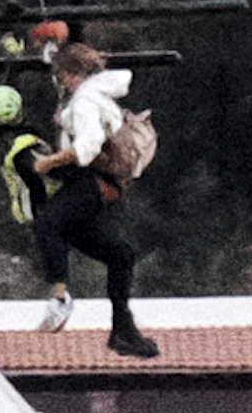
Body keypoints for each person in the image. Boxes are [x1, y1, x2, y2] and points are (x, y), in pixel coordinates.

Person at [31, 41, 160, 358]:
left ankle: (59, 296)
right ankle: (123, 330)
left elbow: (88, 148)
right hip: (102, 188)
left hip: (88, 182)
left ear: (76, 74)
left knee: (48, 221)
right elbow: (62, 79)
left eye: (63, 75)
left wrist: (50, 163)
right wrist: (51, 50)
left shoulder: (87, 99)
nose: (60, 82)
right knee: (120, 256)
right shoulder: (95, 93)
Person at [0, 84, 53, 230]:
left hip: (29, 216)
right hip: (44, 215)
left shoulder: (4, 145)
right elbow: (39, 187)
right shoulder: (28, 143)